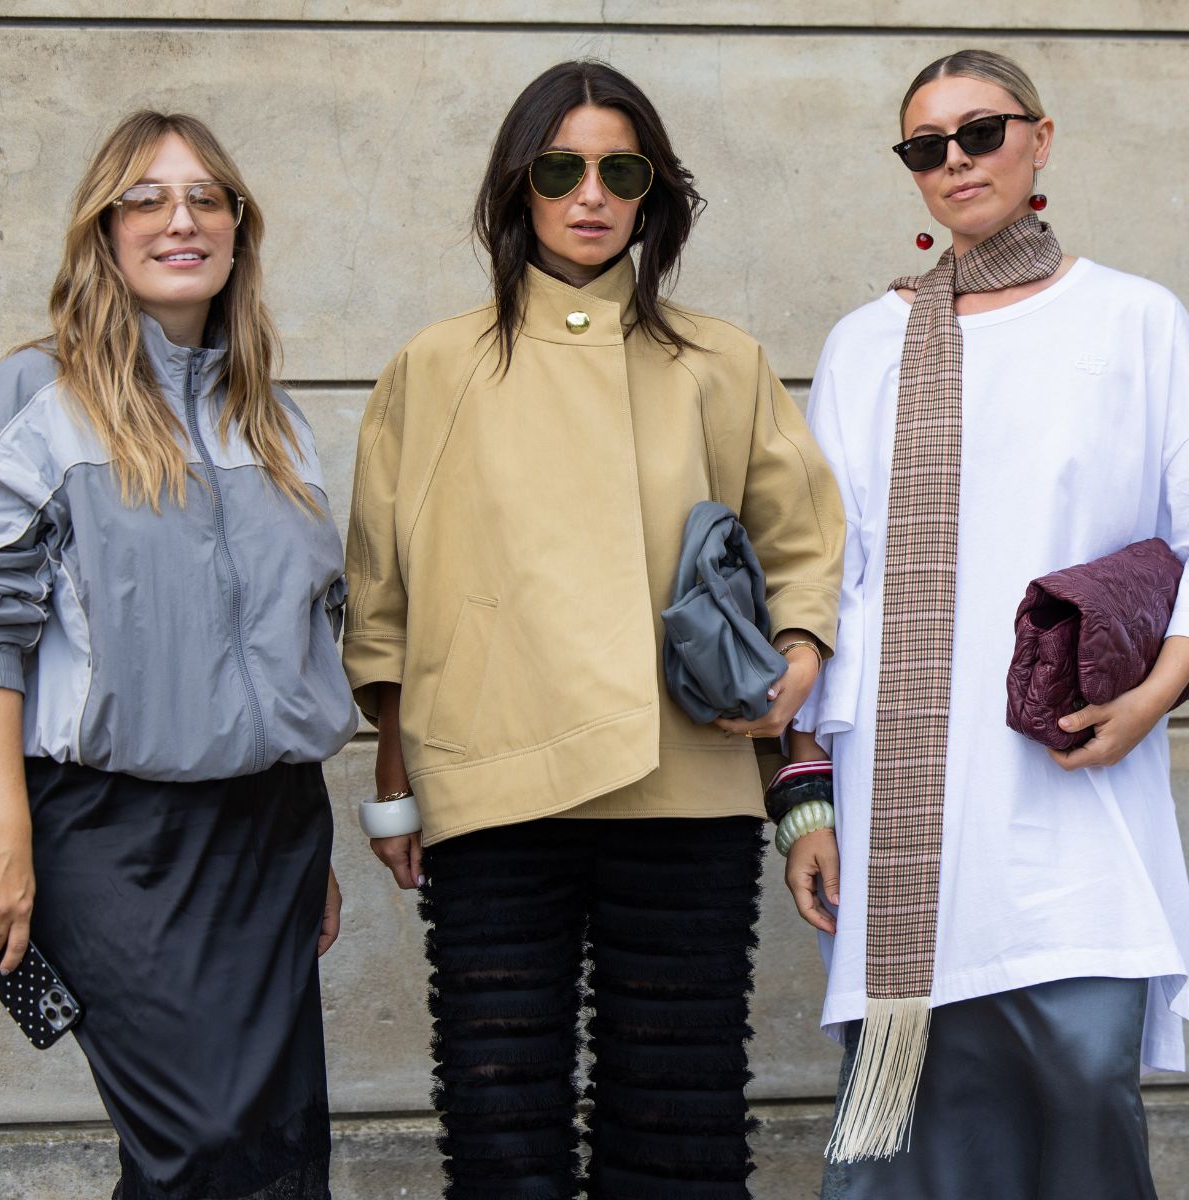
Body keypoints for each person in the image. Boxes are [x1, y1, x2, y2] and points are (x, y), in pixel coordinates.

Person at [343, 59, 845, 1200]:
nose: (590, 196)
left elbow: (801, 544)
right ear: (516, 186)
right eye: (560, 169)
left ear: (653, 194)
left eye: (622, 172)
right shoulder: (435, 365)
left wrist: (800, 655)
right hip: (489, 773)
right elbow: (383, 596)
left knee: (680, 1120)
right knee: (500, 1123)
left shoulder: (721, 362)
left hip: (684, 769)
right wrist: (394, 774)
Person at [782, 49, 1189, 1200]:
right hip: (898, 801)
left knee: (1083, 1073)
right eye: (927, 146)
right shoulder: (866, 344)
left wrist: (1157, 695)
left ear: (1040, 138)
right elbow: (822, 585)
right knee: (923, 1110)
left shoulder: (1137, 321)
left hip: (1070, 780)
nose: (956, 161)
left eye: (982, 132)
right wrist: (805, 797)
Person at [0, 110, 358, 1198]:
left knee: (278, 1153)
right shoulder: (38, 397)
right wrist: (2, 825)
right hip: (112, 830)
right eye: (144, 199)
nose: (179, 219)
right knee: (198, 1146)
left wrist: (312, 837)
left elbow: (295, 639)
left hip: (273, 828)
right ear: (104, 233)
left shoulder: (276, 422)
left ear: (240, 229)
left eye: (205, 198)